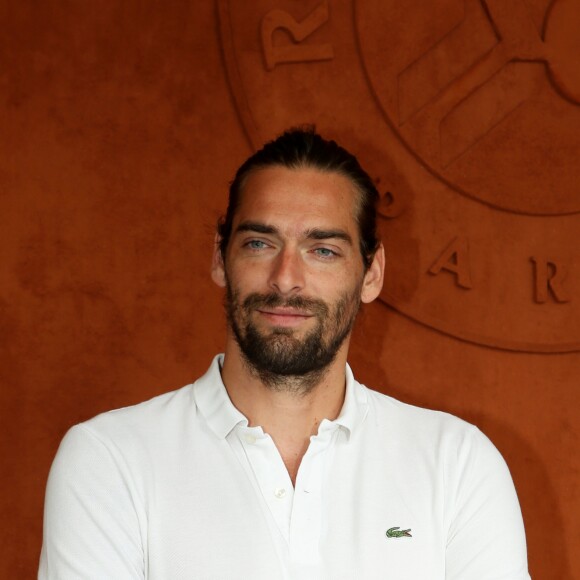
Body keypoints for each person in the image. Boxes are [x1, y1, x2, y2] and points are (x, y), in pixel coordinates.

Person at [39, 128, 530, 579]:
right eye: (259, 243)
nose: (286, 278)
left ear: (372, 274)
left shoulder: (458, 465)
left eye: (323, 251)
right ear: (219, 258)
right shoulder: (110, 460)